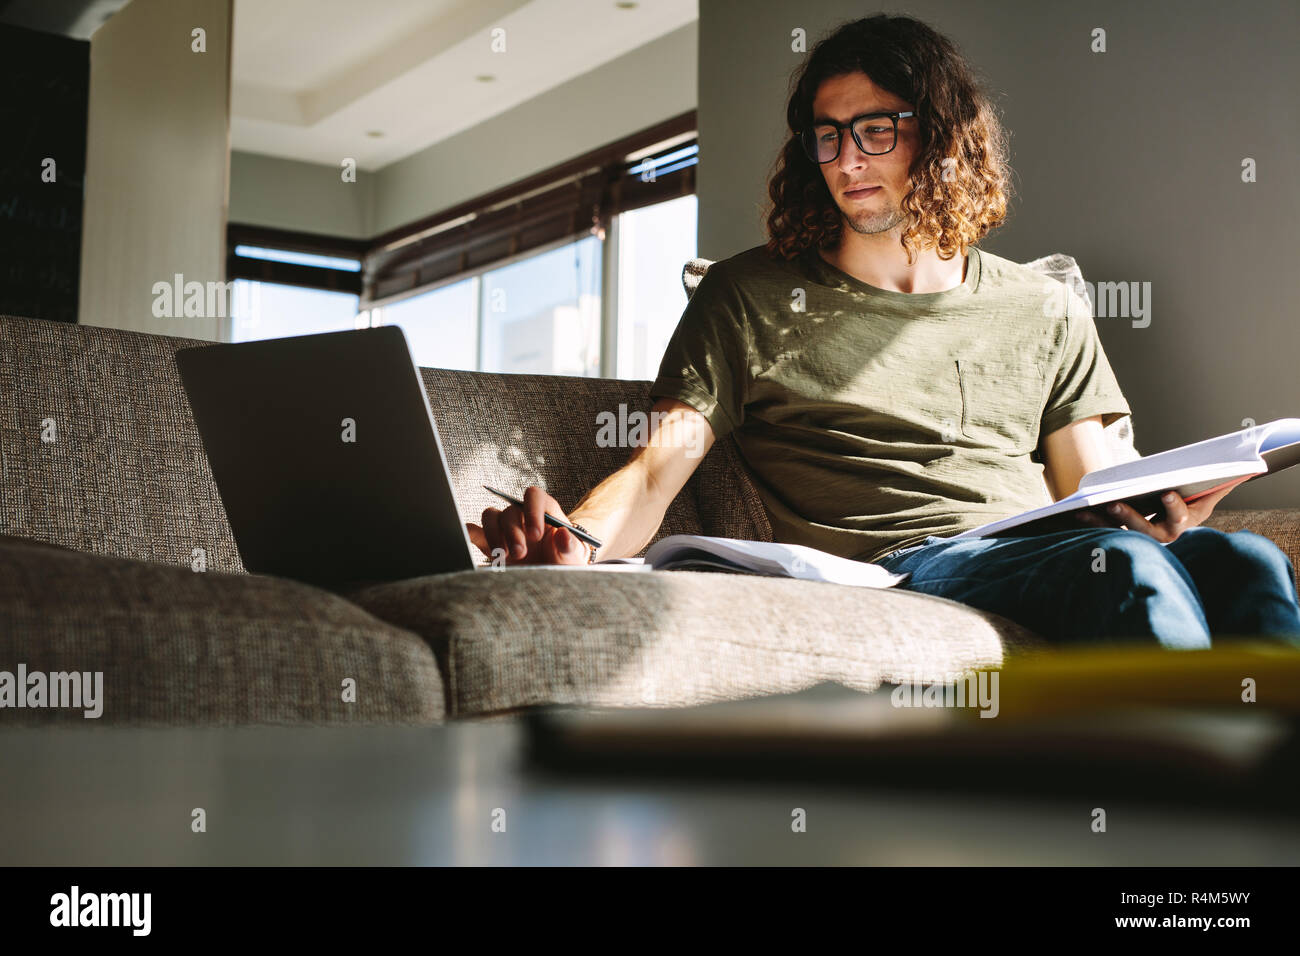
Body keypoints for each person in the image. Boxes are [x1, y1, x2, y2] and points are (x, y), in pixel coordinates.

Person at [466, 14, 1300, 649]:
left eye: (874, 131)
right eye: (827, 136)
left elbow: (1092, 483)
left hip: (1041, 543)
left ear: (938, 137)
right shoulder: (747, 295)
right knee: (1121, 568)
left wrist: (1164, 503)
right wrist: (575, 541)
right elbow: (654, 474)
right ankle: (1205, 812)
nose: (847, 161)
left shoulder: (1041, 305)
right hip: (905, 562)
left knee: (1248, 563)